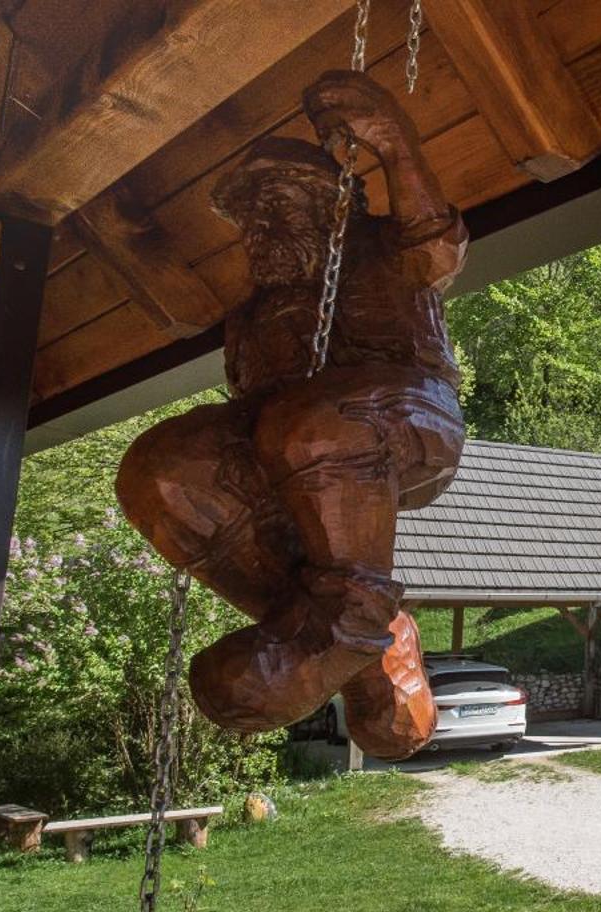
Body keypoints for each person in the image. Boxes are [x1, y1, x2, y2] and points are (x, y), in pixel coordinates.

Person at [116, 70, 467, 760]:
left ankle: (350, 621)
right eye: (251, 218)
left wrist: (393, 142)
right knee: (156, 473)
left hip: (408, 426)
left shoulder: (379, 249)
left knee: (307, 423)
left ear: (330, 205)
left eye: (275, 206)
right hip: (301, 453)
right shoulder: (248, 318)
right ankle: (355, 635)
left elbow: (438, 249)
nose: (262, 229)